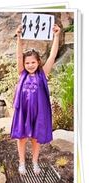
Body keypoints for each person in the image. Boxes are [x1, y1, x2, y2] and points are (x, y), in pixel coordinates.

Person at [10, 24, 61, 175]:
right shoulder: (22, 73)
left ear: (38, 62)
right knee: (22, 137)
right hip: (24, 110)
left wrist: (56, 36)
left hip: (39, 111)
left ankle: (34, 162)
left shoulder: (43, 73)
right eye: (27, 63)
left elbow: (52, 55)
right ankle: (22, 162)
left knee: (36, 138)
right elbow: (19, 56)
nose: (30, 65)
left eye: (33, 62)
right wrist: (19, 38)